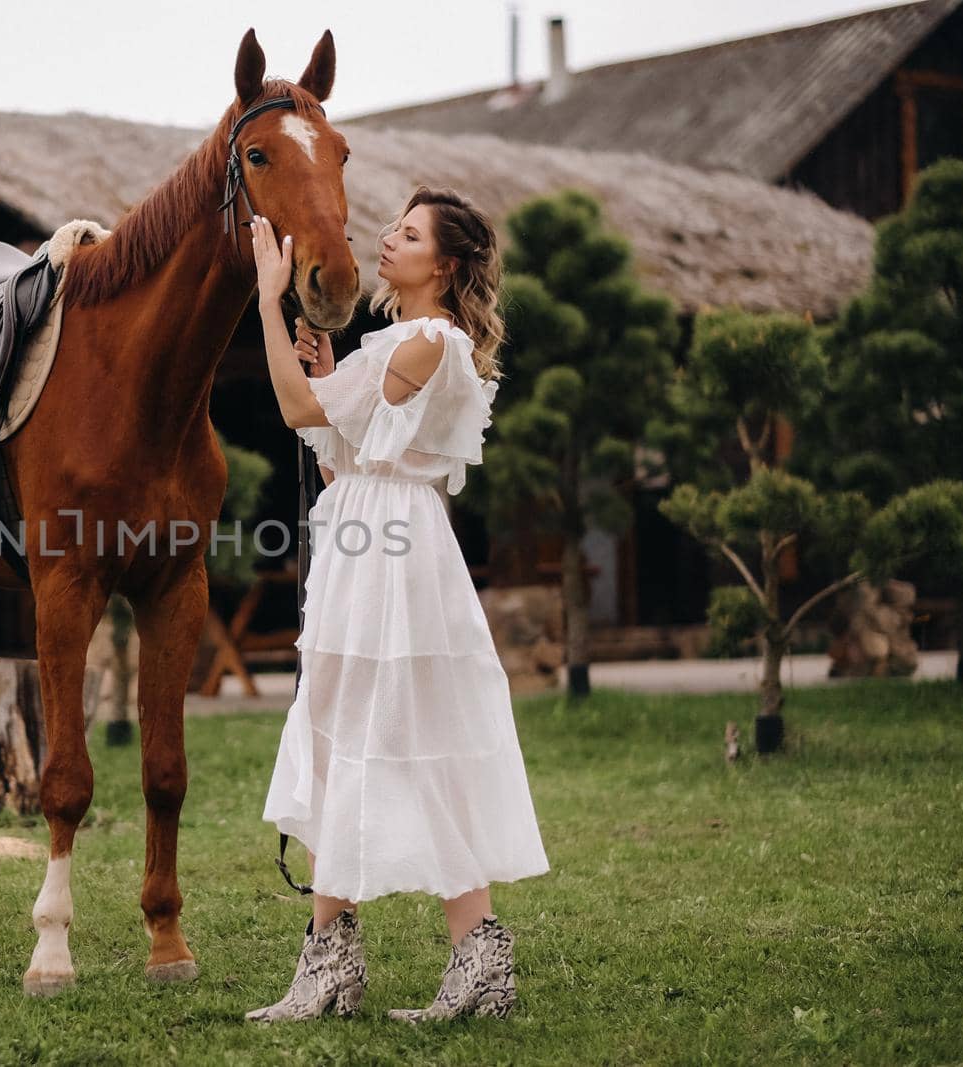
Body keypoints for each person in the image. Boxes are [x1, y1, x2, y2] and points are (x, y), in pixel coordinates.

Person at [242, 186, 549, 1024]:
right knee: (349, 731)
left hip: (391, 555)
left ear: (442, 265)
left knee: (399, 734)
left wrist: (271, 304)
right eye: (394, 227)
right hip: (370, 537)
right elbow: (350, 459)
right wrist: (331, 369)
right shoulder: (407, 345)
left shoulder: (424, 340)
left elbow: (300, 412)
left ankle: (461, 954)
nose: (387, 239)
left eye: (408, 235)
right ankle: (346, 960)